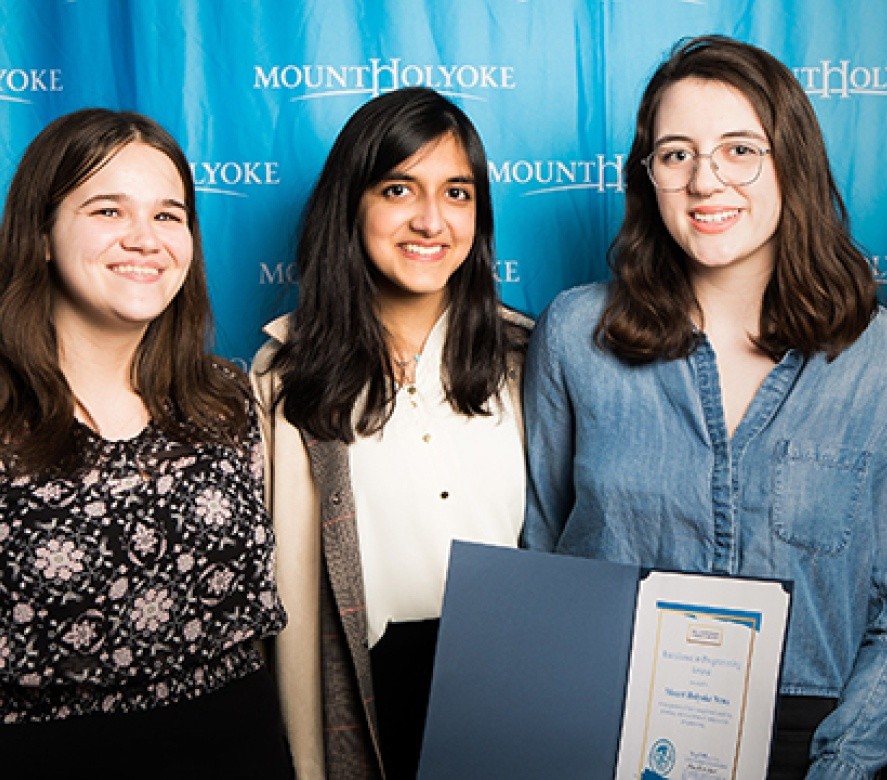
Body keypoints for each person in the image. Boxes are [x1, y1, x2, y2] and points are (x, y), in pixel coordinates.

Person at [522, 35, 887, 779]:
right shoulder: (575, 335)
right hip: (603, 733)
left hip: (808, 746)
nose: (705, 180)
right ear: (647, 175)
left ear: (793, 164)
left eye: (740, 150)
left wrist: (839, 768)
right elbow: (542, 560)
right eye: (676, 153)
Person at [0, 109, 290, 778]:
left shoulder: (226, 396)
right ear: (41, 234)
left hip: (239, 750)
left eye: (168, 215)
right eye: (107, 211)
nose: (145, 239)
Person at [251, 86, 530, 779]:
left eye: (457, 193)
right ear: (353, 204)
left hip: (514, 686)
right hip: (363, 687)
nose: (431, 221)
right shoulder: (283, 381)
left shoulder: (530, 360)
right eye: (399, 189)